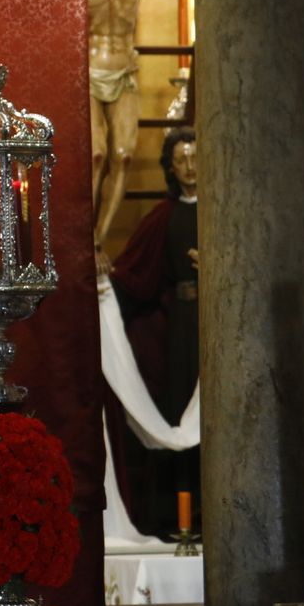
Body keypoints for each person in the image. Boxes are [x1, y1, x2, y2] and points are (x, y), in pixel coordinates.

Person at [109, 126, 199, 538]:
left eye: (194, 157)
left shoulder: (226, 212)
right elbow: (133, 277)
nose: (189, 167)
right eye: (180, 160)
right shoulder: (163, 217)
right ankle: (179, 515)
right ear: (170, 168)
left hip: (220, 323)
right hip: (181, 328)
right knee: (178, 407)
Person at [89, 0, 175, 267]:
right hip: (89, 72)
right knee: (96, 155)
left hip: (125, 68)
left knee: (123, 157)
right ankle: (83, 235)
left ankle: (99, 241)